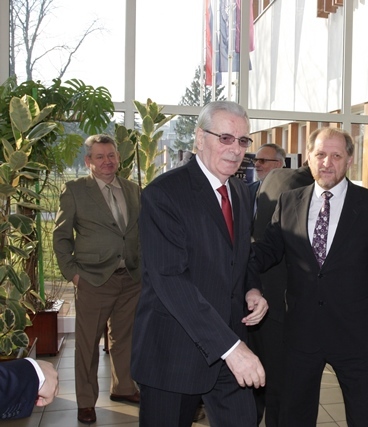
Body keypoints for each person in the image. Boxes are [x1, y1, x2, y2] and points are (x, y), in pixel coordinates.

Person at [131, 100, 268, 427]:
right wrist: (231, 348)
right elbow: (170, 279)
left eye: (243, 140)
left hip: (228, 344)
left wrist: (252, 289)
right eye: (225, 138)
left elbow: (240, 256)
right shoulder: (165, 194)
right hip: (173, 353)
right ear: (199, 138)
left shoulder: (240, 192)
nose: (236, 149)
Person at [252, 127, 368, 427]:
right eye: (320, 154)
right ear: (308, 157)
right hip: (301, 331)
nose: (327, 163)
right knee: (295, 414)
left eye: (336, 156)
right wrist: (229, 257)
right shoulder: (289, 201)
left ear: (350, 160)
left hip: (353, 332)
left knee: (361, 414)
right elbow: (266, 252)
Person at [53, 134, 142, 424]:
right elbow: (61, 236)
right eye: (100, 156)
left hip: (130, 278)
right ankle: (86, 402)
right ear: (88, 161)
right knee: (88, 344)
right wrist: (73, 274)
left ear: (119, 158)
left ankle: (123, 387)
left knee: (125, 337)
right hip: (92, 279)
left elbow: (138, 231)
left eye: (111, 155)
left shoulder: (132, 189)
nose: (107, 161)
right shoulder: (75, 190)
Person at [249, 162, 314, 426]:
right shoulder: (304, 188)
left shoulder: (275, 177)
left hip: (260, 294)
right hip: (283, 301)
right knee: (281, 385)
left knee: (259, 382)